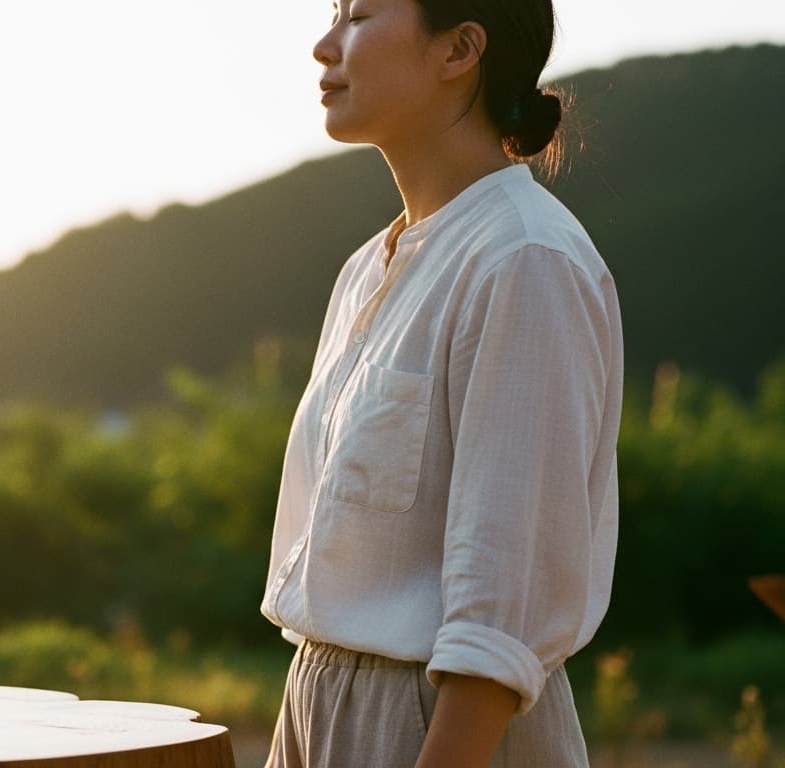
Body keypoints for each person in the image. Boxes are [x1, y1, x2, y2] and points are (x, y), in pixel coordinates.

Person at [260, 0, 622, 766]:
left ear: (459, 49)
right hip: (319, 706)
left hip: (441, 730)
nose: (325, 45)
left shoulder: (525, 259)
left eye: (357, 15)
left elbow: (503, 617)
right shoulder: (368, 269)